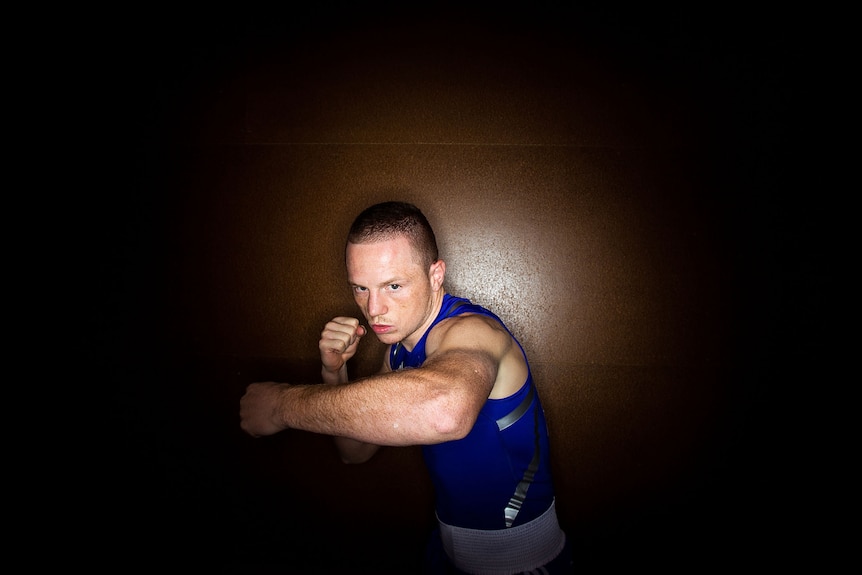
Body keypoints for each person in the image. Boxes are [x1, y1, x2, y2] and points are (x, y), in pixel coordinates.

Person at [240, 201, 572, 574]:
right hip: (447, 553)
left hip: (522, 563)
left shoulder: (472, 331)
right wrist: (335, 373)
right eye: (360, 289)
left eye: (393, 286)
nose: (374, 309)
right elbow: (355, 451)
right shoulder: (399, 348)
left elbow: (445, 413)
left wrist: (281, 405)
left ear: (435, 276)